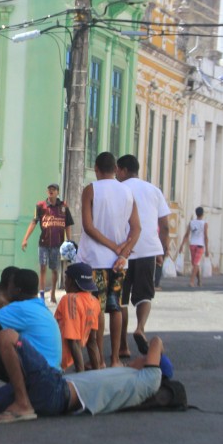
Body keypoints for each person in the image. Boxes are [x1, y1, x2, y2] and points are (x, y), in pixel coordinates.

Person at [0, 335, 172, 431]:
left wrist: (152, 344)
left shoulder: (149, 380)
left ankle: (23, 403)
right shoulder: (130, 376)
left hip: (58, 391)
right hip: (54, 394)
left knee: (7, 338)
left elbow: (156, 342)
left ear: (154, 364)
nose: (140, 357)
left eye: (146, 357)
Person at [75, 152, 140, 368]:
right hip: (119, 263)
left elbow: (88, 226)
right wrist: (123, 252)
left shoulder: (91, 189)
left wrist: (112, 246)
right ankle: (114, 360)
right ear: (115, 169)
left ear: (96, 168)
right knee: (116, 307)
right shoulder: (128, 192)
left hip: (95, 259)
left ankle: (99, 359)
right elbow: (137, 228)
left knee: (98, 308)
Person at [0, 269, 62, 405]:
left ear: (17, 290)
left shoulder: (19, 308)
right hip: (52, 375)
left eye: (9, 286)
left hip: (38, 375)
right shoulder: (40, 306)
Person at [116, 154, 171, 357]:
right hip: (149, 249)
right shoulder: (154, 190)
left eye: (117, 171)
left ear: (122, 170)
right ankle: (140, 327)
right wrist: (162, 250)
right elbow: (164, 225)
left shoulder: (120, 189)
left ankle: (123, 345)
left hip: (124, 250)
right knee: (145, 295)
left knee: (120, 300)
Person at [21, 183, 74, 303]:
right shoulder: (41, 206)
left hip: (57, 243)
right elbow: (34, 222)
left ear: (57, 192)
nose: (51, 191)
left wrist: (69, 241)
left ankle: (53, 293)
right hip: (44, 242)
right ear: (47, 192)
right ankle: (41, 293)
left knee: (54, 269)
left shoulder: (63, 206)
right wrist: (25, 238)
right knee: (42, 267)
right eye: (49, 189)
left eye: (54, 190)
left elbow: (68, 224)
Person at [55, 262, 103, 372]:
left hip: (53, 358)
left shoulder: (69, 300)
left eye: (66, 278)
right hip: (62, 361)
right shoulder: (94, 302)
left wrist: (80, 376)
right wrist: (98, 375)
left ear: (71, 281)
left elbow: (73, 341)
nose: (65, 282)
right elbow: (92, 342)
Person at [178, 207, 209, 288]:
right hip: (200, 245)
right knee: (195, 264)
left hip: (193, 245)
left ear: (196, 213)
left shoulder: (191, 222)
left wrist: (182, 245)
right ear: (202, 214)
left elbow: (186, 235)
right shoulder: (204, 223)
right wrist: (207, 249)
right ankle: (195, 281)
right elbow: (206, 236)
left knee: (195, 263)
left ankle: (195, 281)